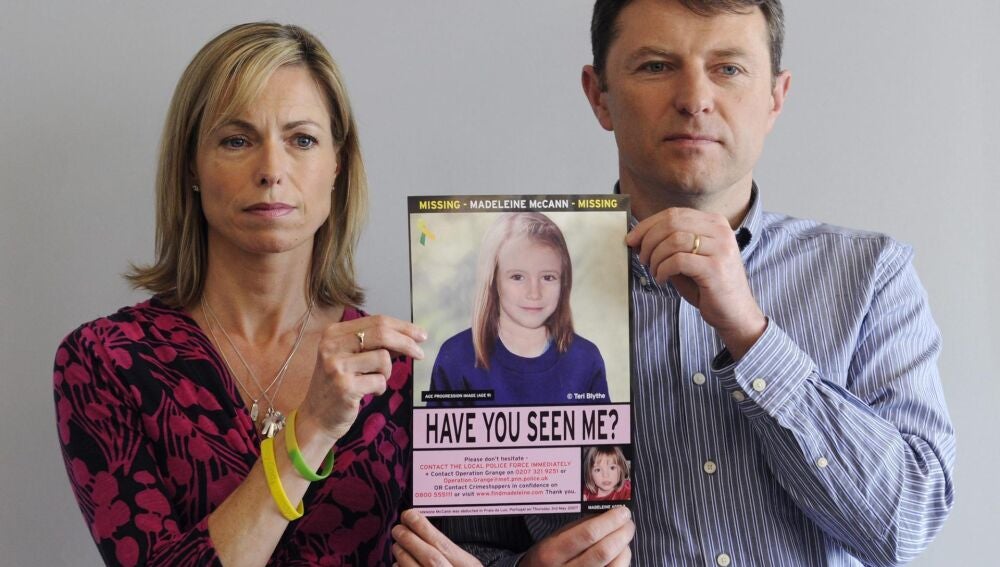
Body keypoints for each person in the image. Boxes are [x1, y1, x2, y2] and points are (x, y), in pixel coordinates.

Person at [391, 1, 955, 566]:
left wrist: (751, 335)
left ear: (775, 97)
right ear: (599, 95)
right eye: (657, 66)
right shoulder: (495, 323)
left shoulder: (872, 276)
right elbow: (452, 541)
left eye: (728, 68)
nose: (694, 99)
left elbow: (905, 526)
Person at [53, 23, 426, 566]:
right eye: (237, 140)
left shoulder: (403, 370)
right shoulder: (104, 360)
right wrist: (310, 430)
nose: (272, 170)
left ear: (337, 165)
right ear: (191, 164)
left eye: (302, 140)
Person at [428, 212, 609, 406]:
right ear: (493, 281)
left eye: (548, 277)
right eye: (517, 277)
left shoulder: (586, 359)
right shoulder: (456, 357)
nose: (534, 293)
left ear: (563, 282)